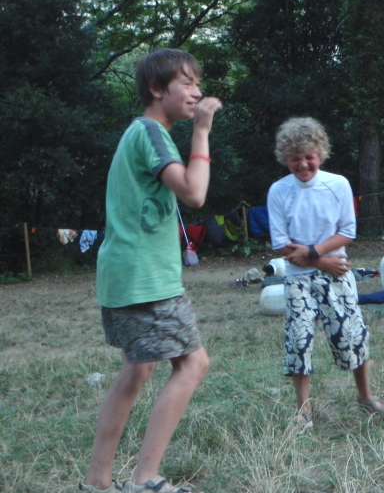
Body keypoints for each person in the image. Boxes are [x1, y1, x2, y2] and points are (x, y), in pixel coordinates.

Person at [80, 49, 223, 493]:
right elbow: (194, 193)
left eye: (199, 83)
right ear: (157, 90)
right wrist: (202, 131)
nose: (197, 91)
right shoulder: (152, 133)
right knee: (194, 364)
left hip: (124, 274)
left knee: (138, 370)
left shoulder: (139, 134)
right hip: (145, 278)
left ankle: (98, 481)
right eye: (187, 83)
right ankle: (146, 478)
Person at [267, 117, 384, 431]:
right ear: (285, 157)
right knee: (299, 340)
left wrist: (314, 253)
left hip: (339, 275)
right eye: (295, 157)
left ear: (320, 153)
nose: (303, 164)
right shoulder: (279, 191)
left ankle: (365, 397)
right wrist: (320, 260)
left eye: (309, 156)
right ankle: (303, 410)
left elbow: (347, 232)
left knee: (351, 336)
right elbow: (281, 244)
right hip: (298, 279)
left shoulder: (338, 185)